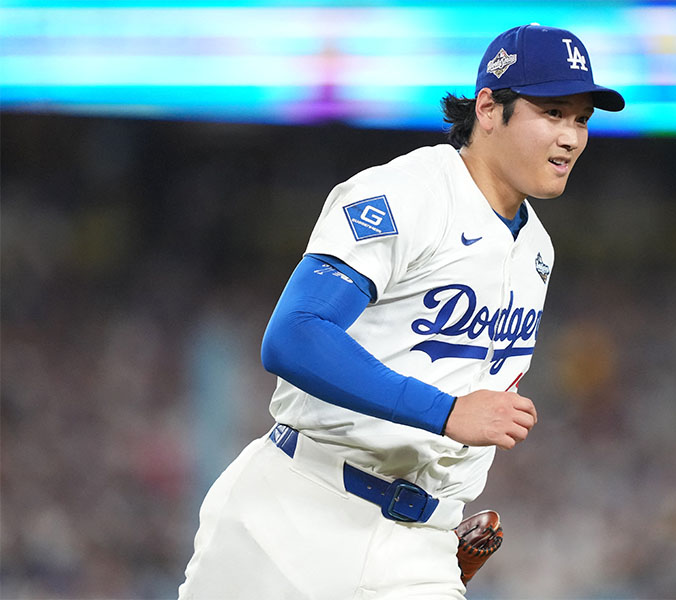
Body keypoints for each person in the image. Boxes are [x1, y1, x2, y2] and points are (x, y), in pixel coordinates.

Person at [178, 23, 623, 599]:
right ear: (489, 109)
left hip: (418, 547)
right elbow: (294, 335)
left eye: (581, 119)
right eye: (553, 112)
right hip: (293, 512)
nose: (570, 137)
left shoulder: (538, 249)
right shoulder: (406, 194)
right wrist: (444, 412)